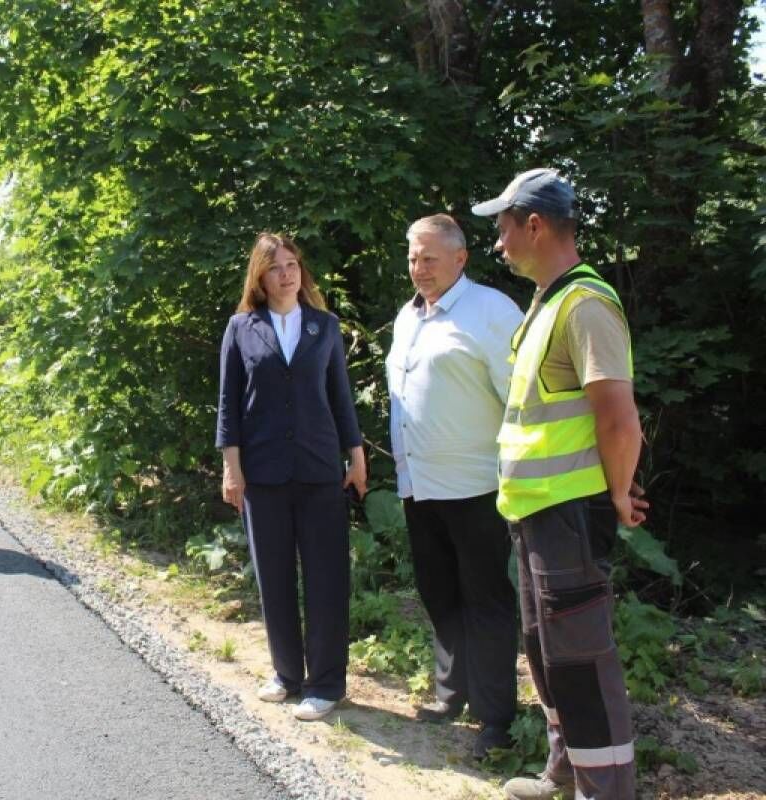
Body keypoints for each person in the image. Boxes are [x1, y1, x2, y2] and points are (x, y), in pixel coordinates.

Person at [473, 169, 648, 800]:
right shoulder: (548, 303)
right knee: (547, 655)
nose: (499, 243)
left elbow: (619, 419)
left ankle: (605, 791)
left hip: (570, 514)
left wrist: (620, 495)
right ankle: (565, 770)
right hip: (536, 513)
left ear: (535, 225)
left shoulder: (586, 305)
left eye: (503, 228)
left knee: (582, 662)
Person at [386, 213, 523, 759]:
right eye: (413, 257)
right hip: (419, 485)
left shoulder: (491, 312)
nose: (419, 268)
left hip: (475, 486)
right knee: (439, 592)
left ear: (461, 258)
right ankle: (452, 694)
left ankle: (496, 718)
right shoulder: (407, 316)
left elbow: (520, 398)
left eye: (430, 258)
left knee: (485, 599)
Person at [216, 232, 368, 722]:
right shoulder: (241, 328)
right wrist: (231, 469)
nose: (287, 273)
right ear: (259, 277)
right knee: (274, 577)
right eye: (276, 266)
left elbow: (341, 398)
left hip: (320, 469)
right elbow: (229, 406)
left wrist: (357, 456)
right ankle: (287, 674)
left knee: (326, 578)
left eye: (293, 265)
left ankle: (326, 684)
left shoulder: (324, 327)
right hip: (262, 473)